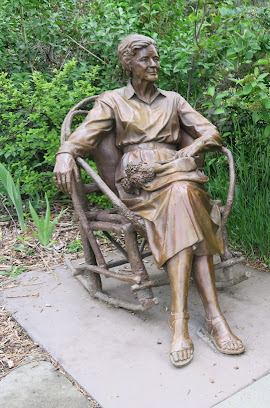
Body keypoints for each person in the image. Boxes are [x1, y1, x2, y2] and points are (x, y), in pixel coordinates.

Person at [53, 34, 244, 367]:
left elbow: (211, 132)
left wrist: (192, 148)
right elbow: (82, 138)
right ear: (128, 64)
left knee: (183, 196)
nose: (154, 64)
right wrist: (66, 152)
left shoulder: (173, 100)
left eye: (156, 58)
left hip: (178, 172)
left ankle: (181, 321)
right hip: (139, 181)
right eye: (145, 59)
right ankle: (215, 319)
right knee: (187, 201)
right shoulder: (112, 101)